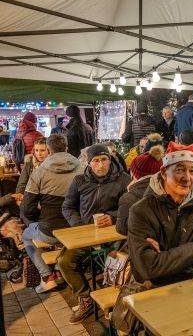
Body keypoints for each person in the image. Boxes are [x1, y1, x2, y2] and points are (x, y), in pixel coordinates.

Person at [127, 141, 193, 286]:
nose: (187, 178)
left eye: (192, 171)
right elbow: (147, 268)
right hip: (156, 292)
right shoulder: (141, 211)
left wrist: (165, 269)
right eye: (179, 170)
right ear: (164, 173)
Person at [59, 144, 130, 324]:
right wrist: (80, 225)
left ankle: (113, 301)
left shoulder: (122, 180)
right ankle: (85, 298)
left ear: (110, 159)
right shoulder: (79, 181)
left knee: (118, 261)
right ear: (89, 163)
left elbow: (129, 208)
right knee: (65, 262)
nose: (100, 165)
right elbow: (67, 207)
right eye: (96, 161)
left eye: (104, 159)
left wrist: (112, 217)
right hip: (86, 233)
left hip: (115, 234)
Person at [20, 134, 84, 293]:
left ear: (49, 150)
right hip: (77, 228)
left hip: (50, 231)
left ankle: (47, 277)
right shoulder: (82, 168)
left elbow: (27, 208)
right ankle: (57, 271)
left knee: (26, 235)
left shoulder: (39, 172)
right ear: (66, 148)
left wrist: (38, 215)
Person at [116, 144, 164, 236]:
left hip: (141, 245)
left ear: (134, 173)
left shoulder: (128, 198)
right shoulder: (170, 190)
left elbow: (122, 229)